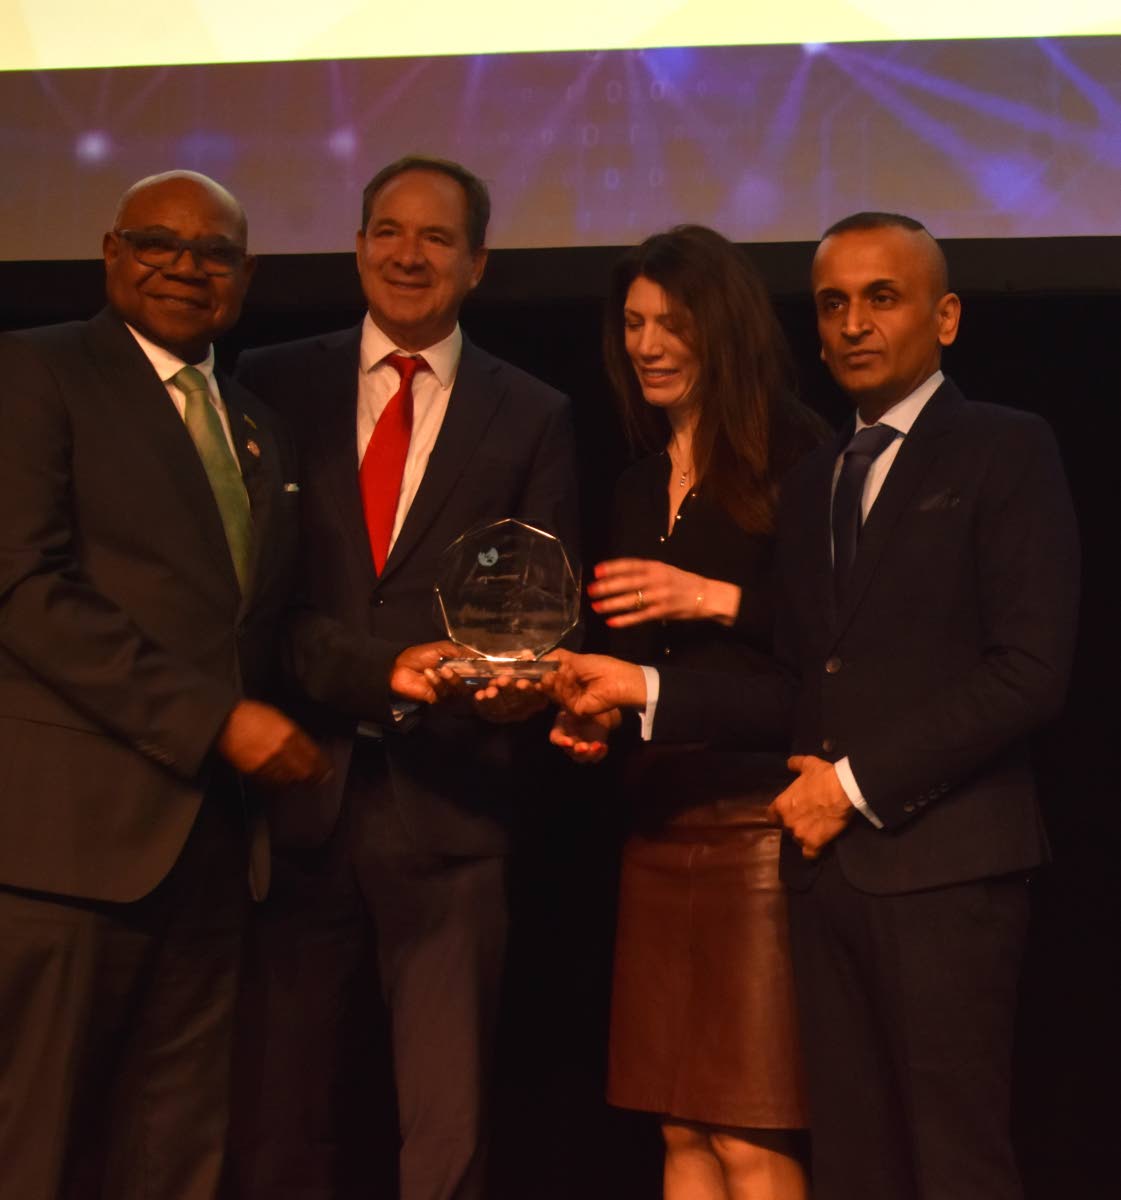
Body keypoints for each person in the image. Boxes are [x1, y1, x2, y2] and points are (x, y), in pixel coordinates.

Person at [544, 212, 1080, 1200]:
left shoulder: (1001, 448)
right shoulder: (824, 473)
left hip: (941, 862)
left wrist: (851, 782)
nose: (852, 324)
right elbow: (808, 662)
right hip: (820, 869)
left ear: (946, 317)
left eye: (881, 299)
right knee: (855, 1163)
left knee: (952, 1159)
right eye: (832, 304)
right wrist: (623, 697)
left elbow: (1028, 671)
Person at [229, 155, 580, 1200]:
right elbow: (259, 603)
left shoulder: (532, 412)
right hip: (297, 793)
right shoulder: (273, 384)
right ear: (356, 245)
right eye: (387, 229)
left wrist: (520, 682)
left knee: (447, 1128)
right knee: (276, 1119)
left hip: (452, 807)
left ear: (475, 263)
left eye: (434, 237)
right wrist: (387, 672)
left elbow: (534, 608)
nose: (406, 254)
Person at [0, 170, 332, 1199]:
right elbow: (23, 586)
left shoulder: (253, 425)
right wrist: (211, 720)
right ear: (109, 253)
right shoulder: (35, 372)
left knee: (179, 1155)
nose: (186, 267)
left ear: (245, 276)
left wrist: (399, 672)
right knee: (34, 1149)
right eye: (158, 242)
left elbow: (263, 630)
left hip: (216, 854)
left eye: (215, 253)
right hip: (69, 852)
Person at [554, 225, 822, 1199]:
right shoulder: (633, 482)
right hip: (657, 826)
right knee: (679, 1130)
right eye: (632, 323)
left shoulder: (801, 460)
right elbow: (630, 666)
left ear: (724, 325)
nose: (648, 343)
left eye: (672, 321)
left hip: (758, 833)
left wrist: (707, 596)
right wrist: (590, 707)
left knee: (749, 1136)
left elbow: (825, 660)